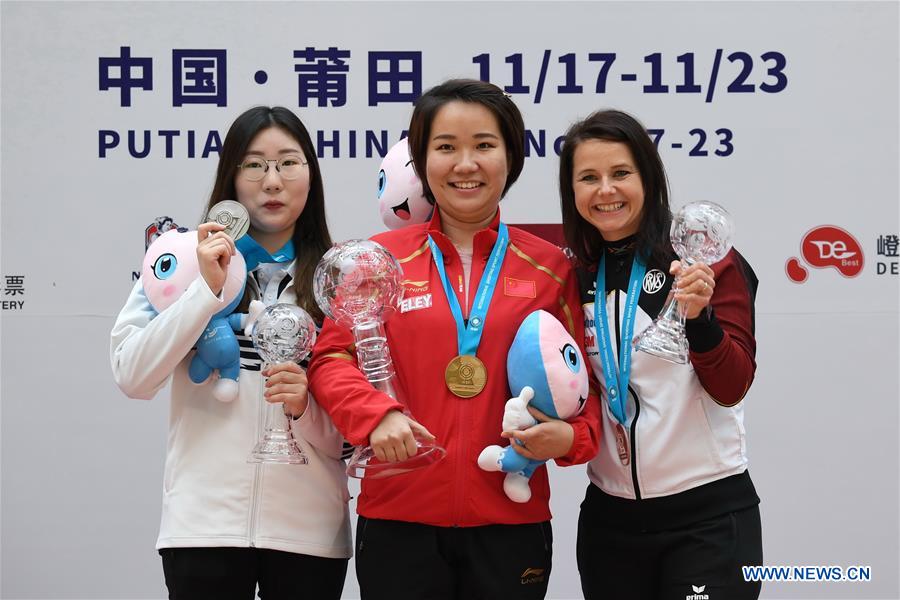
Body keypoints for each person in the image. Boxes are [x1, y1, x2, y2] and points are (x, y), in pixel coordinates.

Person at [308, 79, 600, 600]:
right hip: (398, 515)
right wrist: (375, 415)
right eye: (446, 147)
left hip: (510, 519)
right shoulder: (380, 258)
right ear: (422, 162)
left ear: (510, 157)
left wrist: (573, 438)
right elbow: (331, 356)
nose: (466, 164)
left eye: (484, 145)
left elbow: (585, 383)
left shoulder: (550, 267)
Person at [110, 106, 351, 599]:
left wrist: (304, 407)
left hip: (307, 533)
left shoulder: (340, 279)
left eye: (288, 163)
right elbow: (132, 375)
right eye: (254, 164)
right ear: (231, 176)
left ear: (311, 174)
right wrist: (205, 292)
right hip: (203, 529)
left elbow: (351, 438)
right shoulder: (178, 261)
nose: (272, 181)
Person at [559, 109, 762, 599]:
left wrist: (701, 320)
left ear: (649, 178)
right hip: (610, 521)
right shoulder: (575, 274)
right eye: (589, 178)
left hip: (706, 518)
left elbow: (733, 385)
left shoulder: (702, 262)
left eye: (621, 173)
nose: (606, 190)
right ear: (572, 191)